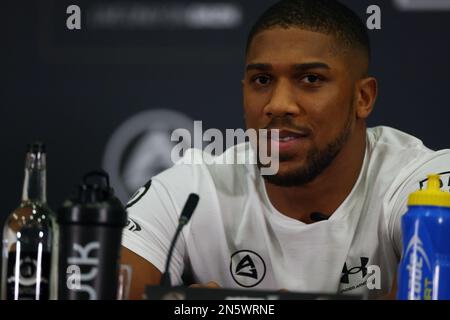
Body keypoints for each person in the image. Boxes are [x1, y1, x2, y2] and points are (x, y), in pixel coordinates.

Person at [120, 0, 450, 300]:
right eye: (262, 80)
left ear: (362, 98)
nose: (278, 105)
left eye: (310, 79)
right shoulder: (191, 191)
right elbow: (98, 286)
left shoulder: (423, 181)